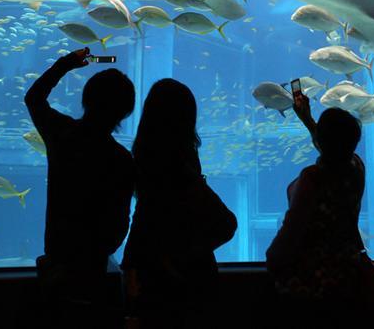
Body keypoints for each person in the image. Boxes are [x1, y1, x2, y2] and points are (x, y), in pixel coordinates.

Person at [24, 47, 136, 328]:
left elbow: (33, 97)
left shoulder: (62, 134)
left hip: (56, 263)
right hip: (94, 271)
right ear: (126, 111)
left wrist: (65, 65)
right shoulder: (122, 160)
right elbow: (122, 221)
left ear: (86, 100)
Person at [122, 78, 237, 329]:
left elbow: (143, 218)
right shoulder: (182, 168)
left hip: (154, 281)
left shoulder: (143, 161)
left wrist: (133, 263)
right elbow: (227, 224)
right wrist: (186, 255)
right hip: (191, 281)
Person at [266, 90, 374, 326]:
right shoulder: (356, 167)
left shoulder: (312, 179)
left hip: (310, 285)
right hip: (347, 278)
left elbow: (292, 231)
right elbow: (335, 152)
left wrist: (273, 258)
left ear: (323, 140)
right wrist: (307, 119)